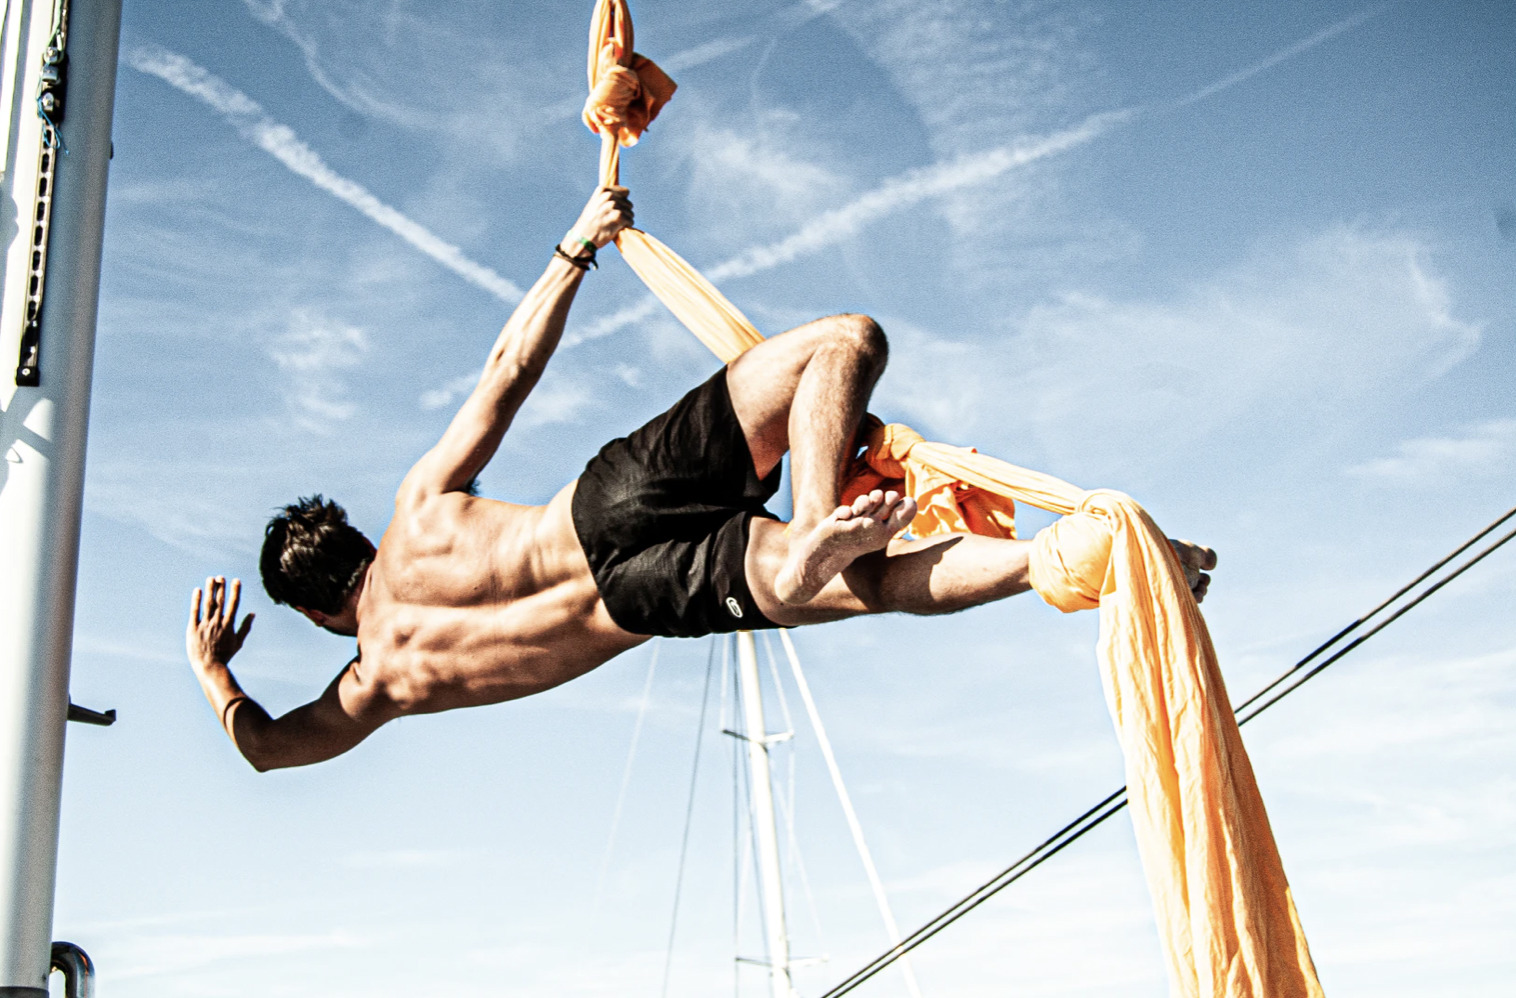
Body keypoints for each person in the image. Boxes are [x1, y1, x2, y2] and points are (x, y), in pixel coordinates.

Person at [186, 184, 1216, 771]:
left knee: (873, 584)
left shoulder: (377, 683)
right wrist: (574, 248)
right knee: (841, 343)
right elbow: (508, 373)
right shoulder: (416, 514)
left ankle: (1065, 554)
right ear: (359, 546)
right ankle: (819, 512)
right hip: (609, 500)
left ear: (322, 614)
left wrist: (214, 670)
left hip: (645, 598)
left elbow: (268, 748)